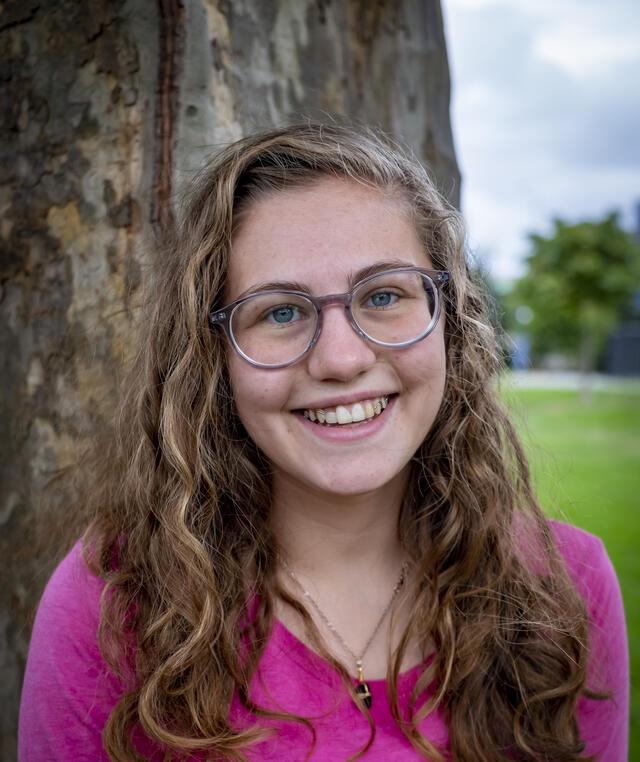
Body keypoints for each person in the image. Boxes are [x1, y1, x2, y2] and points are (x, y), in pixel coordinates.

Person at [19, 122, 628, 761]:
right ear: (211, 356)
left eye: (385, 295)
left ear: (447, 319)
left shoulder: (568, 590)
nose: (341, 358)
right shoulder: (114, 605)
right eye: (280, 311)